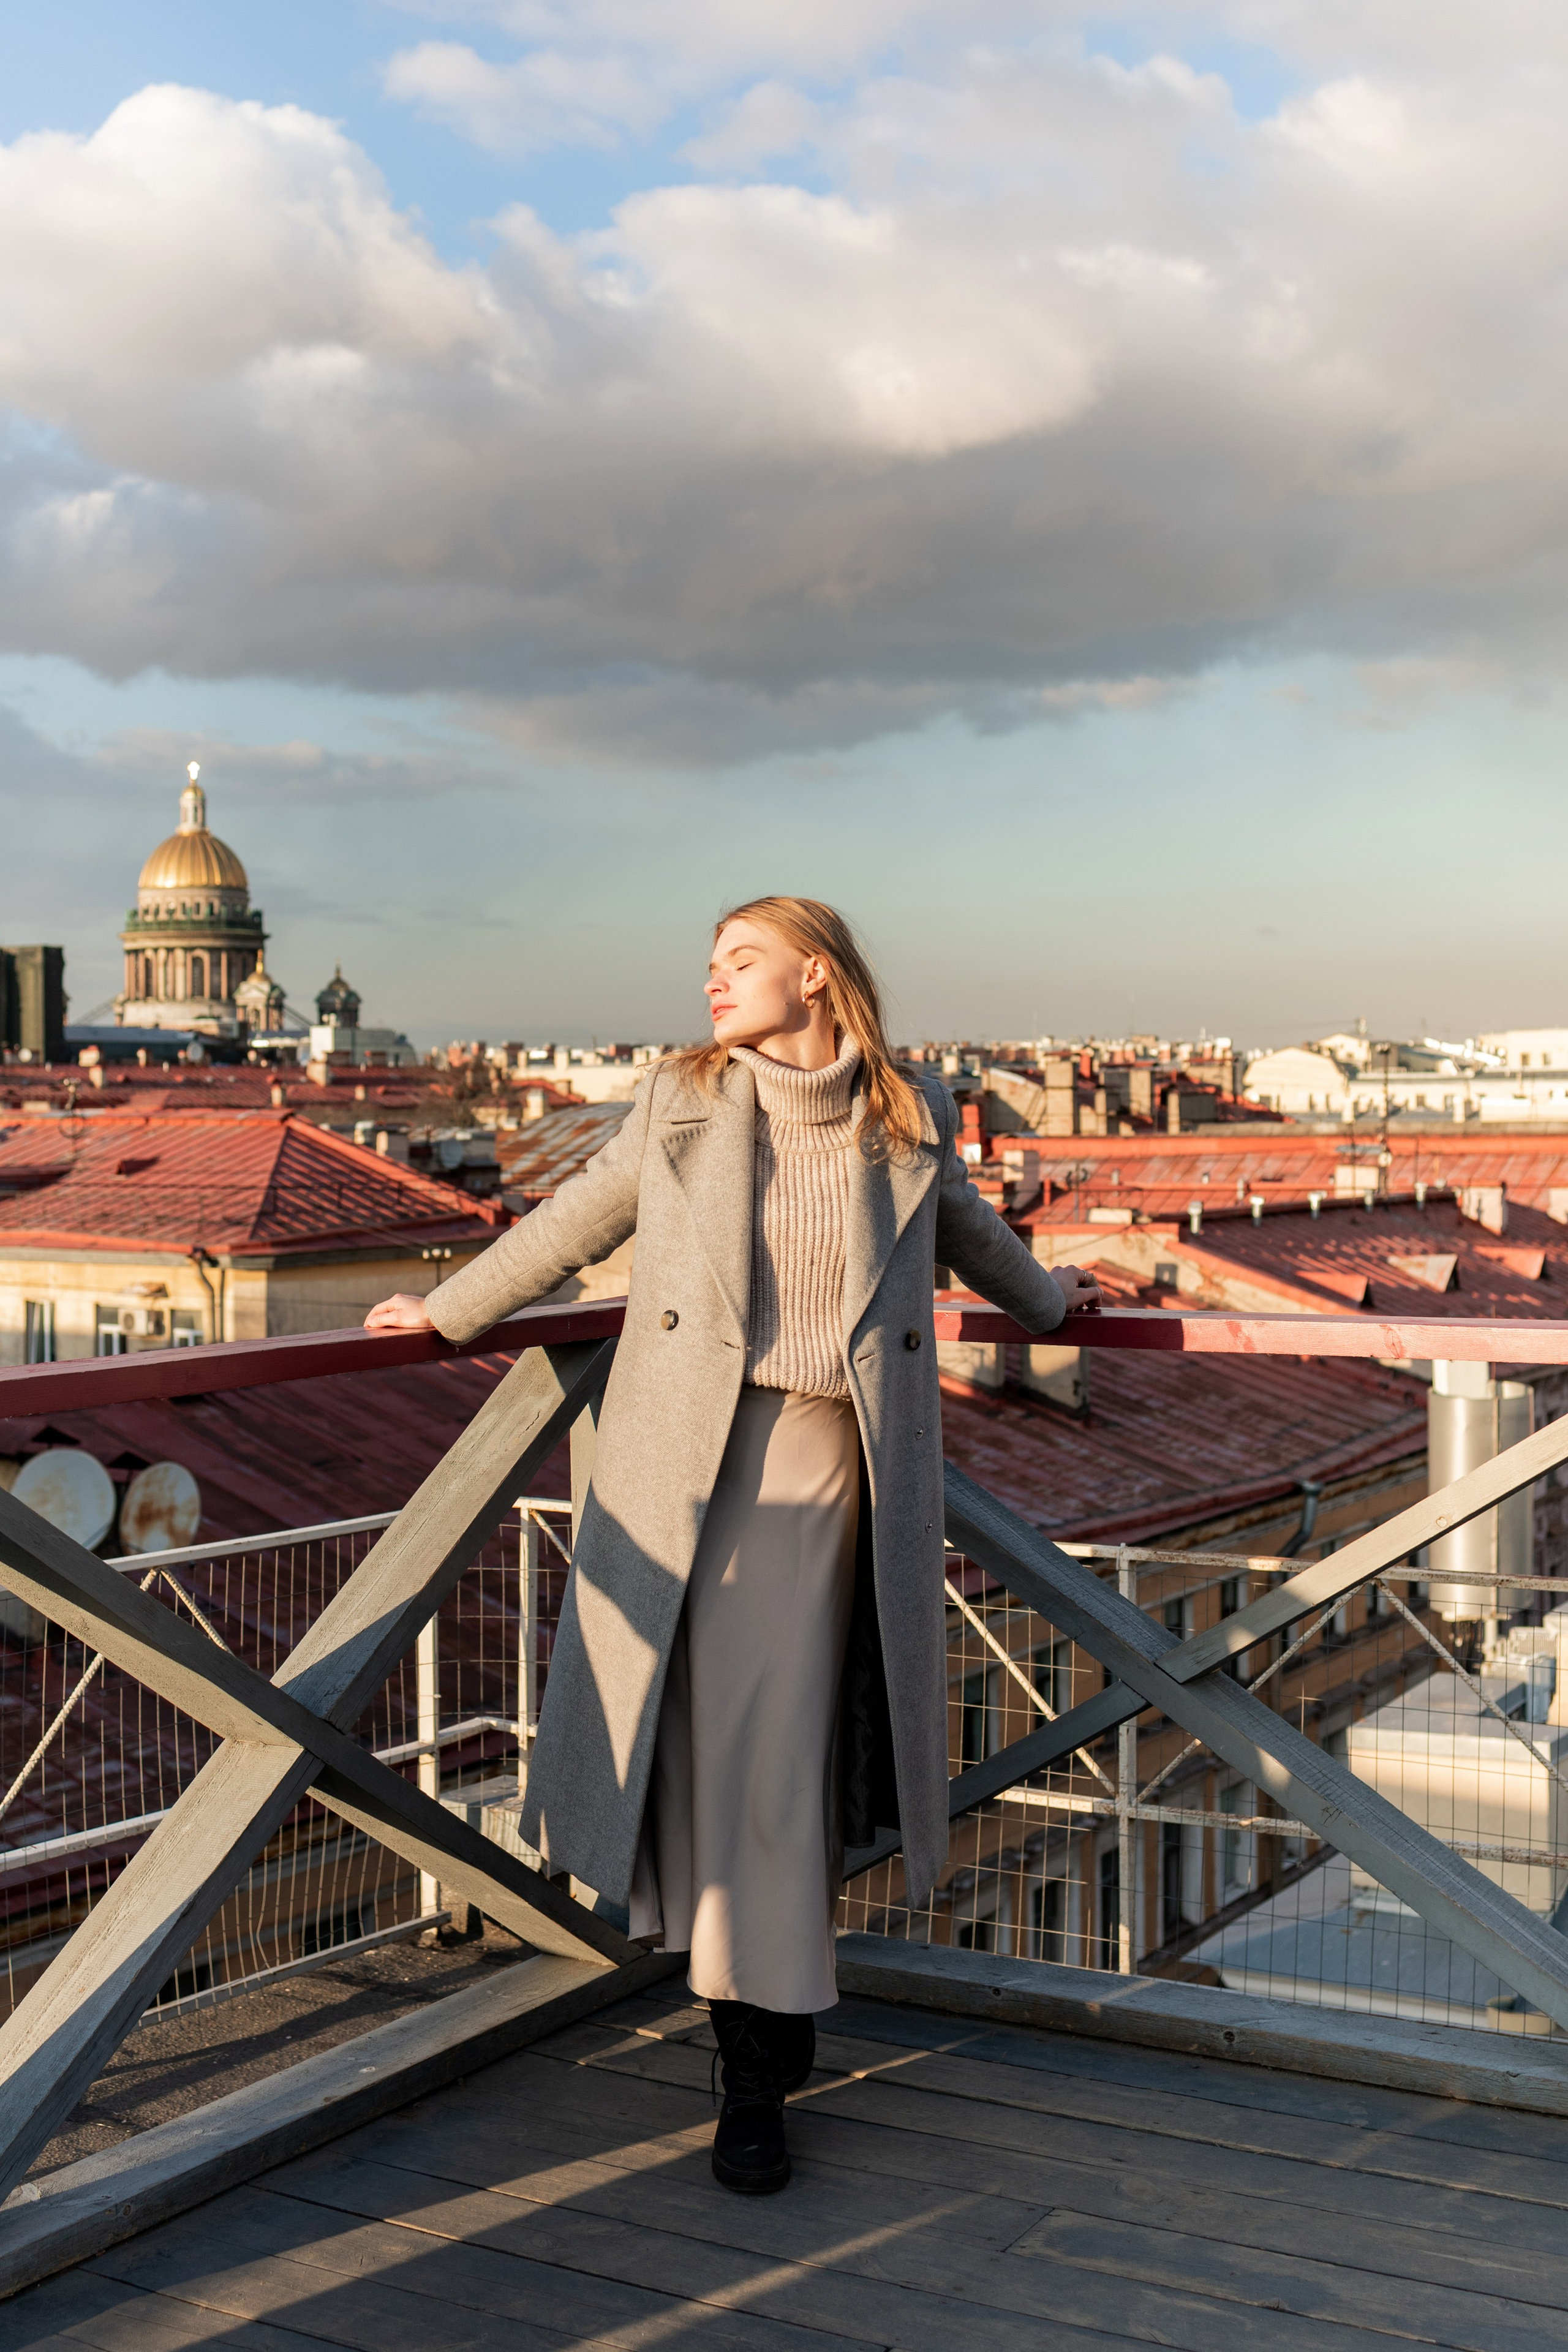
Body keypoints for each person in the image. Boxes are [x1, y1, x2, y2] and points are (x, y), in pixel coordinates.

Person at [366, 898, 1099, 2193]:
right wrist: (442, 1313)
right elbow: (573, 1222)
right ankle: (746, 2042)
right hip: (677, 1468)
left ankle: (758, 2070)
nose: (712, 984)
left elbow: (976, 1242)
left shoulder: (904, 1111)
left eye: (740, 961)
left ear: (815, 974)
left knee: (773, 1763)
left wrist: (1056, 1307)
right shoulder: (682, 1102)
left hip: (826, 1464)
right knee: (702, 1759)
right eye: (706, 965)